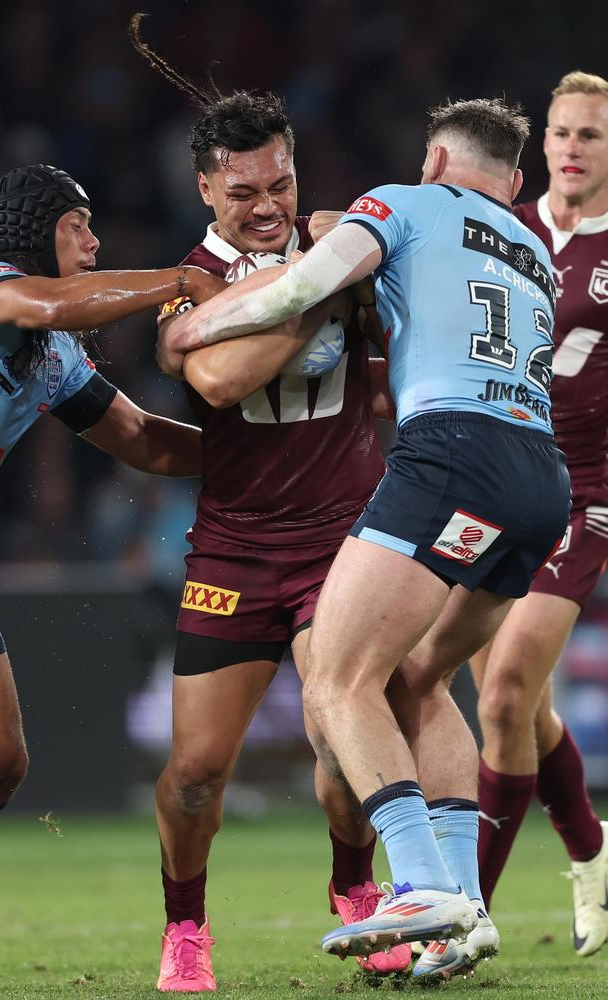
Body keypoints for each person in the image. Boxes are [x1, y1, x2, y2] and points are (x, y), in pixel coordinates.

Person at [165, 96, 571, 981]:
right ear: (513, 182)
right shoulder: (535, 249)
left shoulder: (400, 203)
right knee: (421, 680)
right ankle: (464, 908)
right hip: (540, 478)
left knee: (343, 684)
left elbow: (308, 284)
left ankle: (420, 883)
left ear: (432, 161)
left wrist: (193, 326)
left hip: (451, 457)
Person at [129, 18, 411, 993]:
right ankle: (184, 928)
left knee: (343, 746)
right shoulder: (185, 285)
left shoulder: (349, 239)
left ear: (295, 168)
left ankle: (355, 892)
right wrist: (322, 297)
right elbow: (218, 381)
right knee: (198, 771)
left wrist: (332, 263)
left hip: (343, 542)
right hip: (232, 552)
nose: (265, 205)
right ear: (205, 186)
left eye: (279, 185)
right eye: (241, 191)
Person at [0, 161, 230, 992]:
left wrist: (271, 457)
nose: (94, 241)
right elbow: (47, 301)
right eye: (79, 226)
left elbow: (143, 438)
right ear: (38, 230)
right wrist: (181, 280)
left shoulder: (50, 357)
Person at [469, 70, 608, 958]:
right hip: (493, 482)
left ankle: (467, 909)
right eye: (560, 132)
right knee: (516, 705)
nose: (569, 147)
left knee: (507, 691)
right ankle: (592, 853)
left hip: (584, 495)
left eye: (589, 134)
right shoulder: (507, 232)